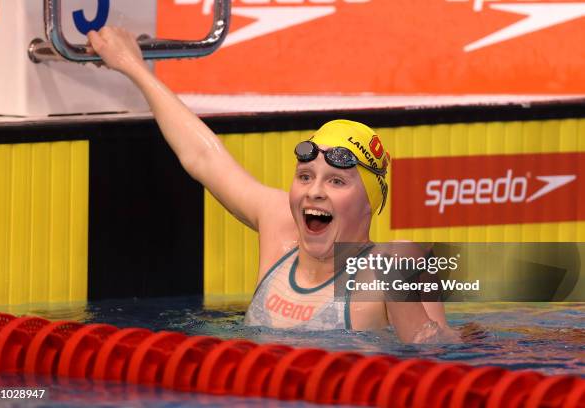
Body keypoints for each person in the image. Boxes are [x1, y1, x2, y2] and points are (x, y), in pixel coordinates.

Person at [87, 27, 459, 343]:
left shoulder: (387, 270)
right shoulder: (279, 226)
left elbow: (435, 359)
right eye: (305, 176)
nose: (315, 191)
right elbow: (204, 158)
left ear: (370, 203)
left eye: (337, 181)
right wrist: (131, 65)